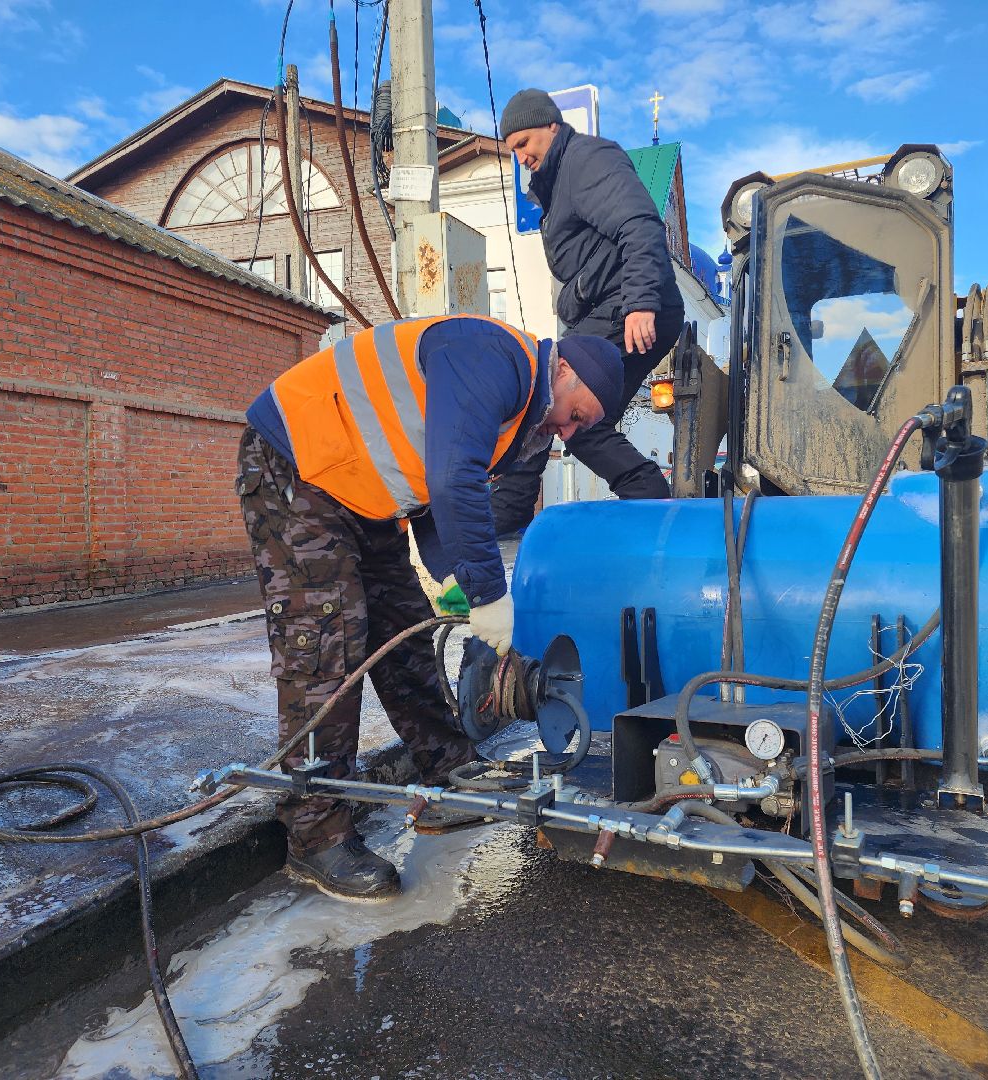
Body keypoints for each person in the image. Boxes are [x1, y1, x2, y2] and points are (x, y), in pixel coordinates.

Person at [236, 315, 625, 900]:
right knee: (325, 646)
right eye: (578, 413)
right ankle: (316, 836)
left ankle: (449, 772)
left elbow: (426, 490)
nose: (569, 431)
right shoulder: (495, 359)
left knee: (407, 630)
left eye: (580, 427)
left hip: (362, 492)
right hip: (295, 465)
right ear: (563, 369)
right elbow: (452, 482)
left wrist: (453, 583)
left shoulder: (519, 413)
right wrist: (490, 594)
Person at [491, 88, 687, 537]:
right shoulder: (556, 184)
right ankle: (652, 501)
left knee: (545, 393)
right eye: (513, 150)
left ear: (552, 127)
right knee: (579, 422)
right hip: (612, 307)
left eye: (524, 143)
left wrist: (640, 301)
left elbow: (638, 223)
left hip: (630, 305)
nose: (520, 157)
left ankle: (503, 521)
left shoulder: (586, 160)